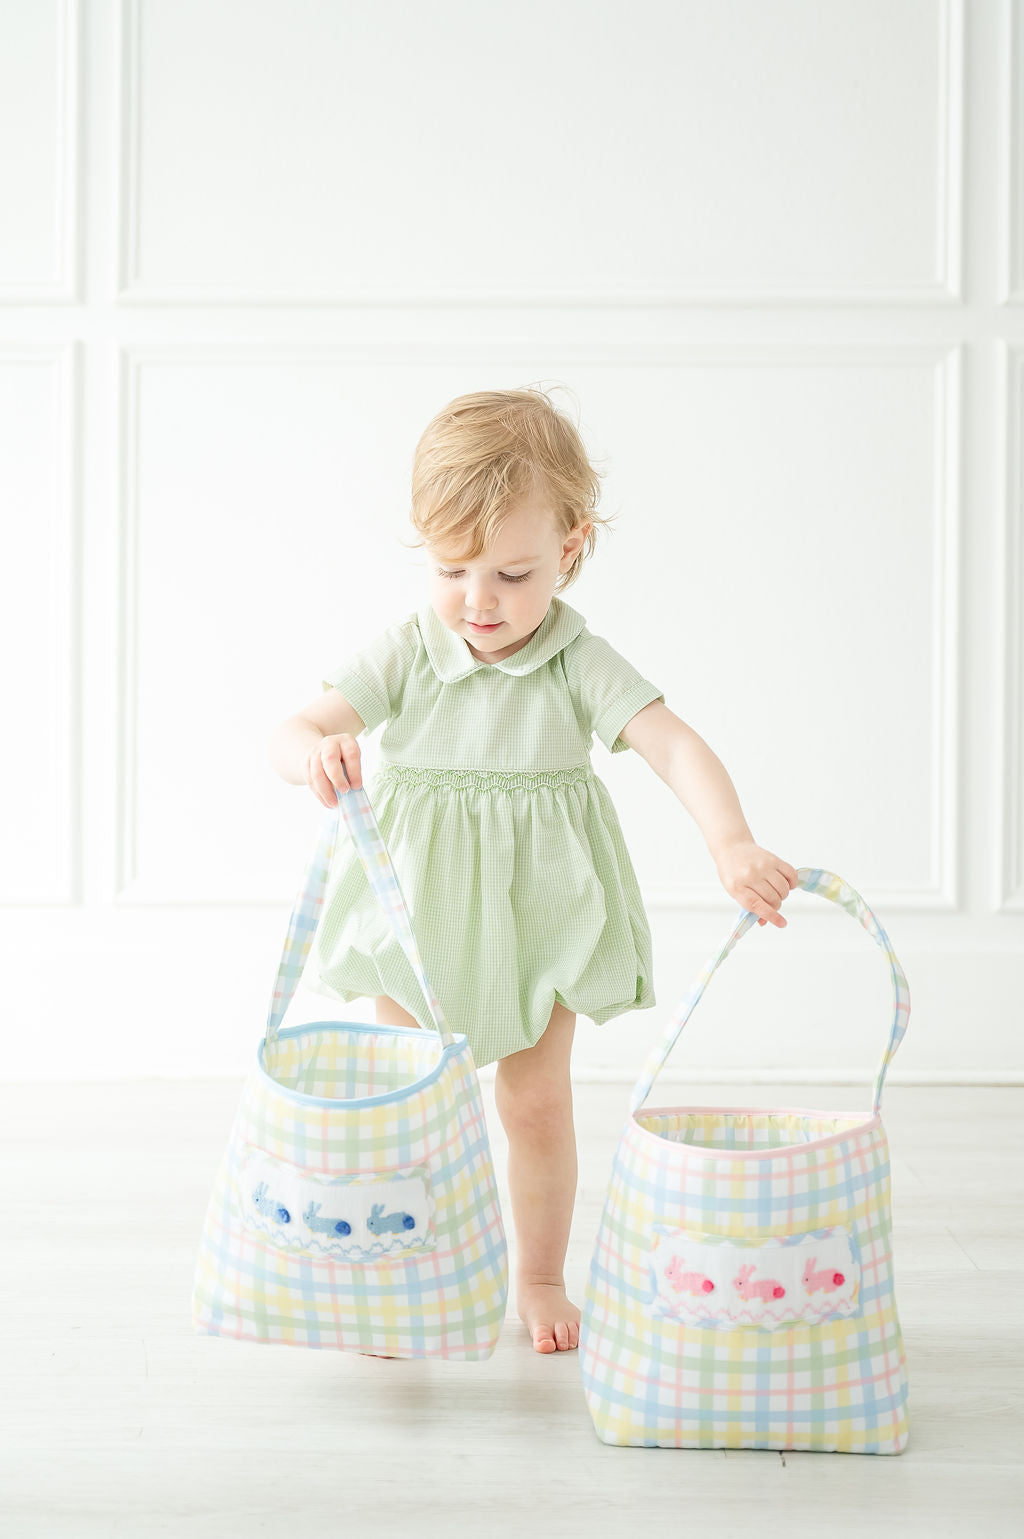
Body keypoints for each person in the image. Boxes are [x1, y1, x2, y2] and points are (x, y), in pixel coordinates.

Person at [267, 386, 799, 1356]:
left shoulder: (572, 658)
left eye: (512, 573)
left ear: (570, 548)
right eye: (452, 569)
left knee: (534, 1098)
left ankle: (539, 1273)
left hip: (545, 909)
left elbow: (672, 744)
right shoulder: (411, 654)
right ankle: (406, 1273)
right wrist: (311, 755)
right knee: (411, 1098)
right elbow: (298, 724)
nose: (479, 600)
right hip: (418, 913)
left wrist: (730, 842)